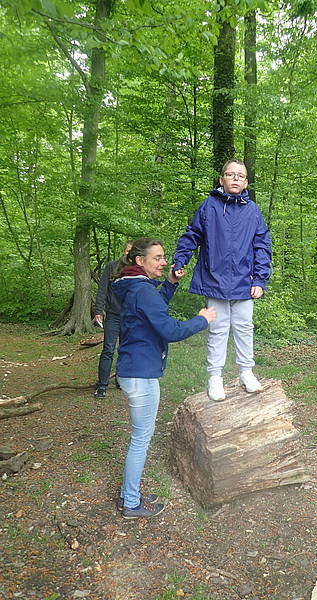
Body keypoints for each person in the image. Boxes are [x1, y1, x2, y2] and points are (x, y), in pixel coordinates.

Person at [112, 237, 216, 519]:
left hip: (135, 370)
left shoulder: (134, 285)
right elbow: (170, 330)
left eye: (163, 257)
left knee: (139, 438)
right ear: (140, 261)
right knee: (140, 440)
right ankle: (131, 503)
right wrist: (202, 320)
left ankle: (129, 494)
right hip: (140, 374)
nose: (164, 262)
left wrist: (170, 283)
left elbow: (154, 309)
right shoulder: (142, 289)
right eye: (157, 258)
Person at [172, 159, 272, 402]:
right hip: (214, 279)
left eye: (240, 175)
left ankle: (246, 372)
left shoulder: (252, 211)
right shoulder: (209, 206)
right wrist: (180, 261)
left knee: (244, 327)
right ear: (221, 179)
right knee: (217, 329)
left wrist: (260, 279)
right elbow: (192, 235)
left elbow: (262, 245)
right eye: (230, 174)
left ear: (246, 182)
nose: (235, 178)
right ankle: (215, 377)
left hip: (245, 282)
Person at [93, 241, 133, 399]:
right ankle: (102, 386)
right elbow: (102, 289)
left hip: (130, 316)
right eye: (128, 250)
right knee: (108, 349)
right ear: (124, 251)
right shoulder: (112, 266)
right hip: (113, 315)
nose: (129, 254)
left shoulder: (137, 269)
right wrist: (99, 310)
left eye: (132, 251)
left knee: (125, 349)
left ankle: (120, 379)